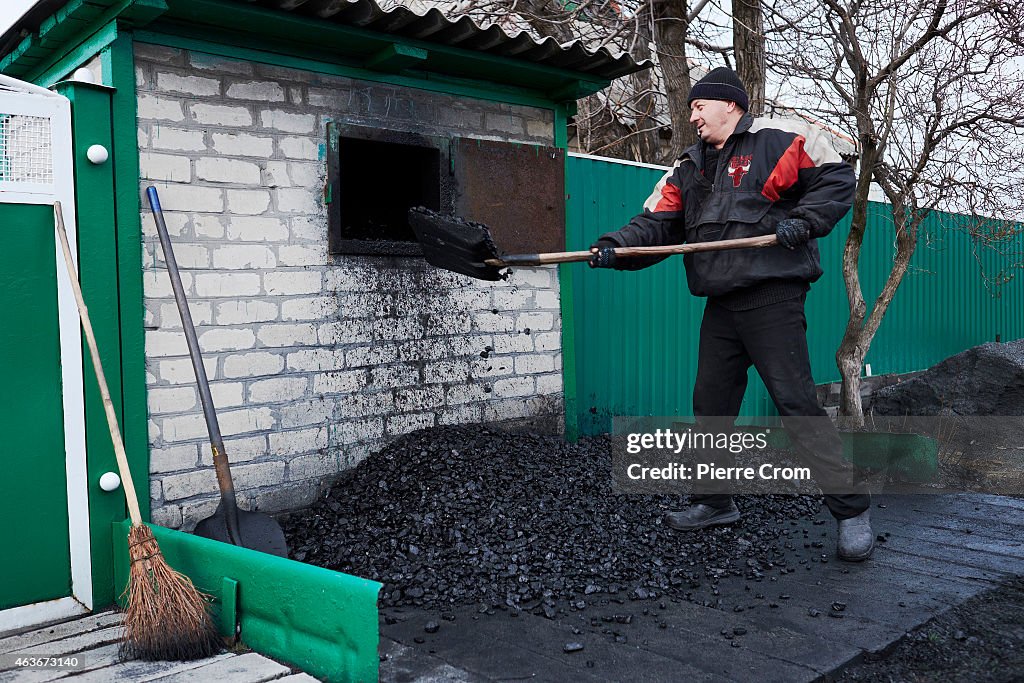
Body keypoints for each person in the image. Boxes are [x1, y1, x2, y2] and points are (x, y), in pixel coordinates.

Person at [589, 67, 873, 561]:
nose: (692, 115)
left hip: (772, 298)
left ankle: (851, 510)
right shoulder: (688, 167)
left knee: (796, 403)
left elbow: (835, 177)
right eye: (692, 107)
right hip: (721, 303)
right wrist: (615, 247)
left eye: (699, 105)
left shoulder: (779, 139)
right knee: (711, 404)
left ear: (730, 106)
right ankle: (714, 502)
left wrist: (803, 222)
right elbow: (655, 223)